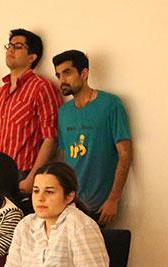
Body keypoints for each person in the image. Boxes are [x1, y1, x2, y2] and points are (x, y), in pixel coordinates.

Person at [53, 50, 133, 225]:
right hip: (70, 205)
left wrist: (114, 199)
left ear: (84, 73)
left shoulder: (110, 104)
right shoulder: (64, 112)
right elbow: (64, 157)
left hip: (100, 205)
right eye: (58, 75)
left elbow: (125, 153)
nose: (62, 80)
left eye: (67, 73)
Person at [0, 29, 63, 201]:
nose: (10, 50)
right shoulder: (0, 92)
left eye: (18, 46)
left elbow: (51, 138)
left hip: (22, 176)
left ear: (32, 57)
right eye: (9, 46)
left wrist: (32, 178)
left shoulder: (42, 87)